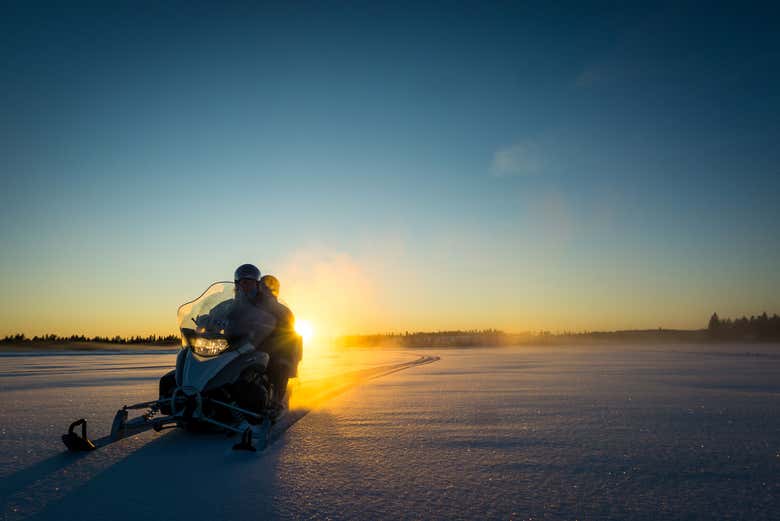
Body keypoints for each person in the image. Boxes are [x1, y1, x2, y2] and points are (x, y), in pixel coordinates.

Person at [259, 274, 302, 408]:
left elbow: (289, 333)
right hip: (252, 346)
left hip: (276, 350)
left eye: (269, 287)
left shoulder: (283, 310)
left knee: (280, 366)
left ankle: (276, 402)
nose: (265, 291)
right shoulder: (250, 307)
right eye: (263, 287)